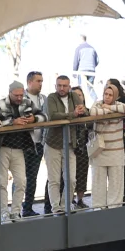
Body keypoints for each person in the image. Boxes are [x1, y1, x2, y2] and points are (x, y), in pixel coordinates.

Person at [0, 80, 43, 221]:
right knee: (2, 182)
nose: (19, 98)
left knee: (21, 181)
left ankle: (15, 211)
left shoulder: (27, 103)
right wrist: (13, 122)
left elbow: (43, 116)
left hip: (20, 148)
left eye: (21, 95)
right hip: (3, 147)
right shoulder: (0, 104)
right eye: (16, 95)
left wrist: (34, 119)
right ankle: (3, 212)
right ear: (10, 93)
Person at [43, 75, 86, 212]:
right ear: (55, 86)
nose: (62, 88)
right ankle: (56, 207)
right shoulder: (51, 97)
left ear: (69, 86)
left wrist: (81, 111)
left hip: (70, 144)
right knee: (54, 179)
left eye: (64, 85)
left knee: (71, 179)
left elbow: (82, 111)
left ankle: (65, 204)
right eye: (59, 85)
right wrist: (73, 114)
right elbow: (53, 115)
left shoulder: (74, 96)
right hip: (53, 144)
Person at [88, 80, 125, 207]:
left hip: (116, 153)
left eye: (110, 95)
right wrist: (108, 111)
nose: (107, 97)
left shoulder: (119, 105)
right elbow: (92, 112)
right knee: (98, 187)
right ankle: (98, 210)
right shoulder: (97, 104)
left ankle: (114, 211)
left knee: (116, 187)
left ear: (115, 96)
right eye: (105, 94)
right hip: (99, 153)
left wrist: (110, 108)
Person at [20, 71, 46, 216]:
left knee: (32, 177)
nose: (41, 83)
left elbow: (47, 116)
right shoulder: (20, 97)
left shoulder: (44, 99)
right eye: (38, 81)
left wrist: (36, 119)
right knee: (20, 178)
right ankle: (15, 209)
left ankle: (27, 207)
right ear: (29, 82)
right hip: (24, 143)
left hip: (39, 143)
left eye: (42, 81)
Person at [73, 34, 99, 100]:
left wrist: (74, 72)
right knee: (90, 87)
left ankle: (78, 101)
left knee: (79, 87)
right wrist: (93, 66)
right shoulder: (92, 48)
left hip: (82, 70)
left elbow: (75, 61)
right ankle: (95, 100)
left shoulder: (79, 48)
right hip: (91, 70)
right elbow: (97, 60)